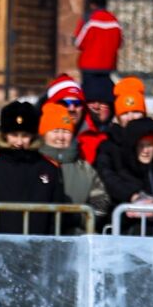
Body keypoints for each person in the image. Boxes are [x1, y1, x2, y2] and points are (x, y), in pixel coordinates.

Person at [0, 100, 65, 235]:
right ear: (4, 135)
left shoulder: (48, 168)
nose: (19, 142)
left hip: (37, 245)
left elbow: (56, 217)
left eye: (25, 136)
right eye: (14, 135)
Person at [39, 100, 109, 233]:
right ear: (44, 134)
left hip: (77, 239)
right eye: (55, 131)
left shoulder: (85, 169)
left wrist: (80, 218)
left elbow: (101, 201)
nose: (60, 136)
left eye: (65, 131)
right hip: (40, 235)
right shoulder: (34, 164)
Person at [73, 0, 121, 81]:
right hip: (108, 65)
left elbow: (78, 43)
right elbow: (119, 43)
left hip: (88, 65)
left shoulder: (88, 19)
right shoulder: (114, 21)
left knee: (89, 94)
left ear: (92, 4)